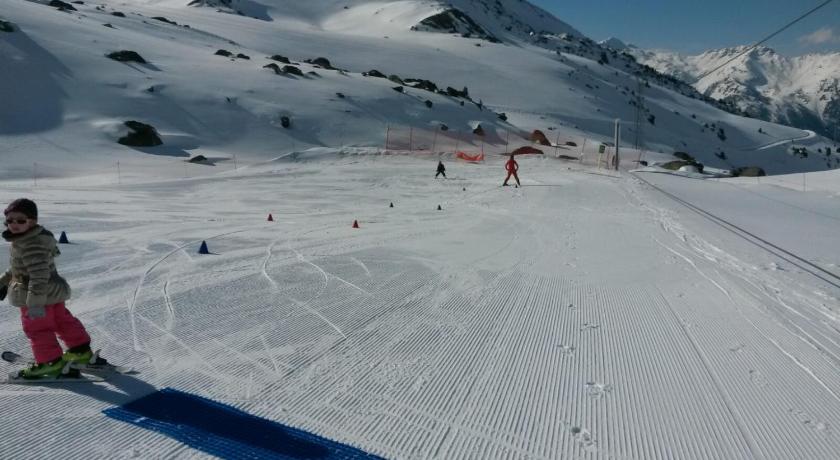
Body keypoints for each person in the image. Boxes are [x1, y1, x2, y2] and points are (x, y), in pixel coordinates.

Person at [0, 198, 97, 379]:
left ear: (32, 221)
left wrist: (35, 304)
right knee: (61, 321)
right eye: (10, 220)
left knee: (38, 329)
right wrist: (4, 281)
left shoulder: (30, 243)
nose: (14, 224)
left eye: (20, 220)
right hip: (52, 292)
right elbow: (19, 268)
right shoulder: (33, 238)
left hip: (35, 294)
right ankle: (80, 351)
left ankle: (49, 363)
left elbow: (38, 275)